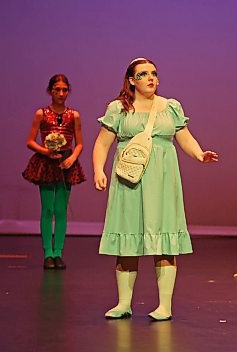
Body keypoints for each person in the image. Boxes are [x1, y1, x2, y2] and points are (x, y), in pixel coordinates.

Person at [93, 58, 218, 320]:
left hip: (162, 180)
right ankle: (123, 303)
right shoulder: (118, 109)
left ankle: (164, 306)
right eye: (143, 74)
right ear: (131, 80)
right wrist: (98, 170)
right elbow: (102, 144)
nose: (150, 78)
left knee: (163, 238)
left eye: (153, 73)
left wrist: (199, 154)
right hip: (130, 180)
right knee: (128, 236)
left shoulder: (170, 107)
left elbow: (184, 137)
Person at [22, 74, 86, 270]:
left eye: (64, 90)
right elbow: (30, 141)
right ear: (50, 91)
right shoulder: (41, 113)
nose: (60, 93)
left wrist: (72, 158)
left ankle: (58, 252)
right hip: (47, 163)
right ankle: (47, 253)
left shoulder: (74, 115)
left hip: (66, 163)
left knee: (60, 210)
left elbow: (79, 143)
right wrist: (46, 152)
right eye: (57, 89)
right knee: (47, 209)